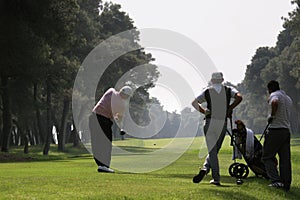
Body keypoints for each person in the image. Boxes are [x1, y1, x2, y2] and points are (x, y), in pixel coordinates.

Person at [191, 72, 242, 185]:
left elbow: (194, 103)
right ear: (222, 79)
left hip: (209, 122)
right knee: (215, 150)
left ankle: (213, 176)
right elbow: (239, 97)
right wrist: (230, 108)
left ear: (212, 80)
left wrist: (204, 111)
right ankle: (208, 170)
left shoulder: (208, 90)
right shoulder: (229, 90)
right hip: (222, 122)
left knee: (213, 151)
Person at [89, 86, 133, 173]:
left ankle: (100, 165)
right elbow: (119, 119)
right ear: (127, 96)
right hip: (104, 121)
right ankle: (104, 165)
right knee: (106, 143)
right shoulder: (122, 105)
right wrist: (117, 118)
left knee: (96, 142)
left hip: (93, 117)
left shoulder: (111, 91)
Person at [262, 80, 292, 191]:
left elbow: (274, 102)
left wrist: (272, 116)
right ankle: (286, 183)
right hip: (286, 130)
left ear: (269, 89)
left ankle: (276, 181)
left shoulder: (274, 95)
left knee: (267, 157)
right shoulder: (287, 98)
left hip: (275, 130)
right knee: (285, 159)